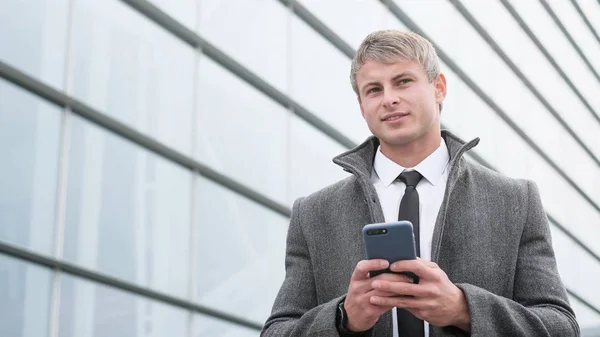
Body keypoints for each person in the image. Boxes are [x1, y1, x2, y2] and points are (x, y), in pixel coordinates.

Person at [260, 30, 579, 337]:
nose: (389, 99)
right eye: (374, 89)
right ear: (361, 106)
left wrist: (464, 310)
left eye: (403, 82)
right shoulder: (314, 213)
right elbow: (276, 331)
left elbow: (561, 327)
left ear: (438, 87)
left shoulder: (515, 201)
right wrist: (343, 319)